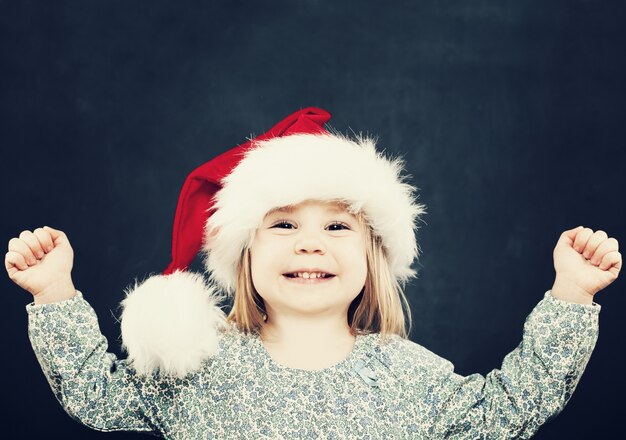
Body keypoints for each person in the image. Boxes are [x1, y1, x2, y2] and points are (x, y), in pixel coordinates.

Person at [5, 107, 621, 439]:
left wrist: (570, 294)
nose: (309, 246)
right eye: (282, 225)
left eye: (336, 227)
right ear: (243, 255)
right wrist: (54, 292)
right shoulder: (196, 366)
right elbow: (98, 397)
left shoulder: (412, 377)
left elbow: (511, 408)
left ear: (373, 257)